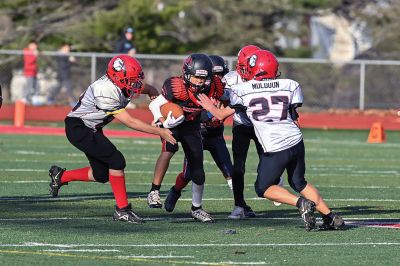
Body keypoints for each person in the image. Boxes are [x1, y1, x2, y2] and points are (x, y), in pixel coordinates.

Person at [198, 50, 345, 231]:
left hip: (275, 145)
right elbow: (293, 114)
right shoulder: (290, 85)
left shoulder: (244, 90)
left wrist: (208, 105)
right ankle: (330, 217)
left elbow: (220, 114)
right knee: (299, 182)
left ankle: (301, 203)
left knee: (263, 188)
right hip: (296, 140)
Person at [48, 55, 176, 224]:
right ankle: (122, 210)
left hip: (91, 127)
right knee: (116, 161)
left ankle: (61, 176)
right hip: (78, 128)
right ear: (118, 78)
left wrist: (154, 98)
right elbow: (130, 122)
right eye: (131, 81)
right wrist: (160, 132)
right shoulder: (105, 90)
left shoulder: (120, 82)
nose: (135, 84)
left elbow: (148, 88)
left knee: (101, 174)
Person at [148, 53, 224, 222]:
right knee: (169, 149)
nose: (200, 81)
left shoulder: (214, 86)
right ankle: (154, 191)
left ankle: (196, 208)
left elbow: (226, 98)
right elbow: (154, 104)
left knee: (197, 167)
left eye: (204, 78)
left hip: (192, 126)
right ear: (187, 74)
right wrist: (160, 120)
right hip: (173, 123)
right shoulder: (176, 85)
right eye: (196, 77)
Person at [163, 55, 233, 213]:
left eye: (220, 75)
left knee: (230, 173)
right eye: (214, 76)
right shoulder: (192, 89)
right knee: (188, 175)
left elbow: (233, 103)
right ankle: (176, 191)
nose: (218, 79)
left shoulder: (222, 90)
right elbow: (189, 112)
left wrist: (224, 107)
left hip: (215, 136)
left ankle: (240, 206)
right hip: (197, 134)